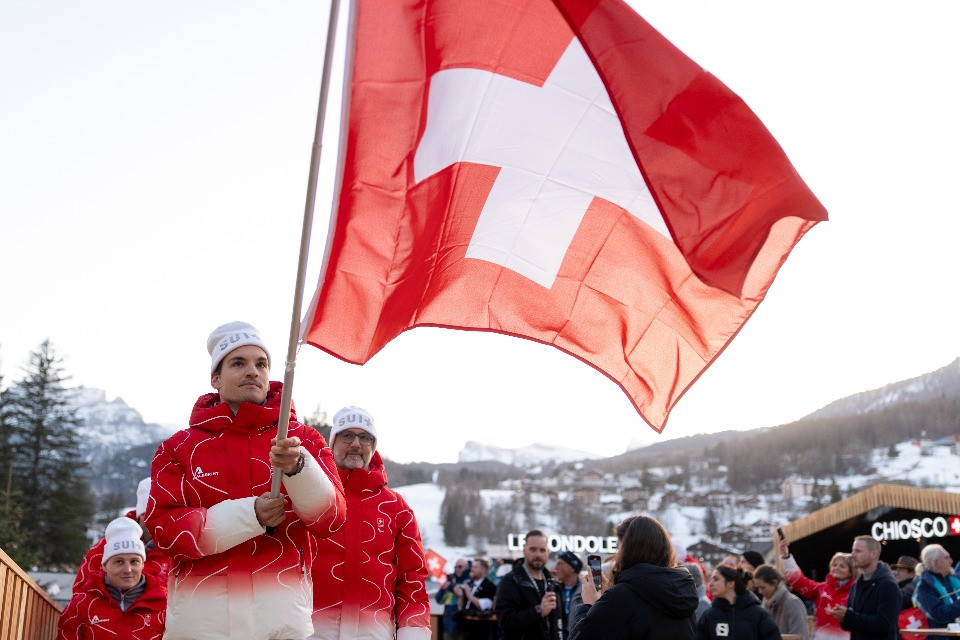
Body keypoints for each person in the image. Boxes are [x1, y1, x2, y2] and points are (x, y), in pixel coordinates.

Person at [144, 321, 347, 640]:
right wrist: (248, 517)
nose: (253, 371)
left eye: (261, 363)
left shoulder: (302, 440)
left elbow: (331, 520)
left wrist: (298, 470)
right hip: (201, 629)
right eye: (238, 363)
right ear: (215, 378)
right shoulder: (178, 449)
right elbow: (164, 529)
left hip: (281, 627)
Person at [309, 406, 430, 640]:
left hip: (374, 633)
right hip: (312, 632)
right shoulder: (311, 494)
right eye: (346, 435)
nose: (356, 444)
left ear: (373, 447)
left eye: (365, 437)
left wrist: (413, 633)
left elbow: (413, 578)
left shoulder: (395, 506)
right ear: (332, 443)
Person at [570, 515, 698, 640]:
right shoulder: (682, 590)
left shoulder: (621, 596)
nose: (616, 555)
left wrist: (589, 605)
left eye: (618, 547)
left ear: (628, 550)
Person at [58, 517, 167, 639]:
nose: (128, 570)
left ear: (142, 564)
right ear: (104, 565)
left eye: (134, 561)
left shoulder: (164, 605)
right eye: (119, 562)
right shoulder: (81, 605)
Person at [73, 478, 171, 590]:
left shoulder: (177, 552)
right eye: (148, 513)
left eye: (161, 513)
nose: (155, 520)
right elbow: (81, 592)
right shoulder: (106, 546)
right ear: (140, 514)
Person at [780, 535, 855, 639]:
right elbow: (798, 581)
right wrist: (786, 556)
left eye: (842, 566)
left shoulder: (858, 592)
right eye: (834, 565)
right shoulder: (821, 588)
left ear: (851, 571)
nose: (837, 568)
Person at [824, 535, 899, 640]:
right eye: (853, 551)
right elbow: (854, 623)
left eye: (858, 551)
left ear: (873, 554)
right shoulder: (856, 584)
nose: (852, 555)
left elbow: (885, 624)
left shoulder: (887, 585)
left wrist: (848, 616)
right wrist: (843, 617)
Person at [496, 530, 556, 640]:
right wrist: (538, 611)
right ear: (524, 551)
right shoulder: (510, 581)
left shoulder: (552, 581)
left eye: (542, 550)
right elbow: (505, 623)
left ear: (548, 552)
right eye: (533, 549)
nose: (538, 554)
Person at [696, 565, 781, 640]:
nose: (711, 584)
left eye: (716, 579)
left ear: (730, 583)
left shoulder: (758, 614)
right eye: (711, 579)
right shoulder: (709, 615)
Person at [913, 544, 960, 640]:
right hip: (940, 637)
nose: (951, 561)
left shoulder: (953, 579)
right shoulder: (924, 585)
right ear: (935, 562)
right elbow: (938, 614)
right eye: (946, 558)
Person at [755, 564, 809, 640]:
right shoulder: (765, 604)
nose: (760, 591)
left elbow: (799, 636)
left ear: (774, 583)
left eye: (763, 587)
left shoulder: (793, 603)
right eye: (758, 588)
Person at [455, 556, 498, 640]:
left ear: (484, 569)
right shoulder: (469, 584)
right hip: (466, 628)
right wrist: (461, 596)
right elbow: (461, 607)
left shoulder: (489, 586)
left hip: (480, 630)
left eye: (475, 567)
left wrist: (469, 595)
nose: (472, 570)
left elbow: (485, 605)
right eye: (472, 567)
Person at [437, 558, 472, 639]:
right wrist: (443, 589)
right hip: (448, 625)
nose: (457, 569)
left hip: (464, 627)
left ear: (467, 567)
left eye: (460, 567)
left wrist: (453, 586)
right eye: (455, 567)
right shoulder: (450, 581)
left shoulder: (471, 580)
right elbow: (438, 600)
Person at [550, 551, 582, 638]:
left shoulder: (586, 590)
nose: (555, 567)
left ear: (572, 567)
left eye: (560, 563)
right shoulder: (552, 588)